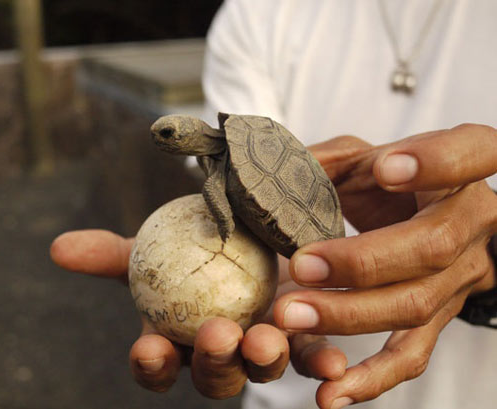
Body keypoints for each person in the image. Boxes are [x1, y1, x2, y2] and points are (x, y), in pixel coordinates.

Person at [51, 1, 497, 408]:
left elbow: (226, 198)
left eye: (169, 135)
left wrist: (491, 260)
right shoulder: (257, 12)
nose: (162, 139)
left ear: (189, 137)